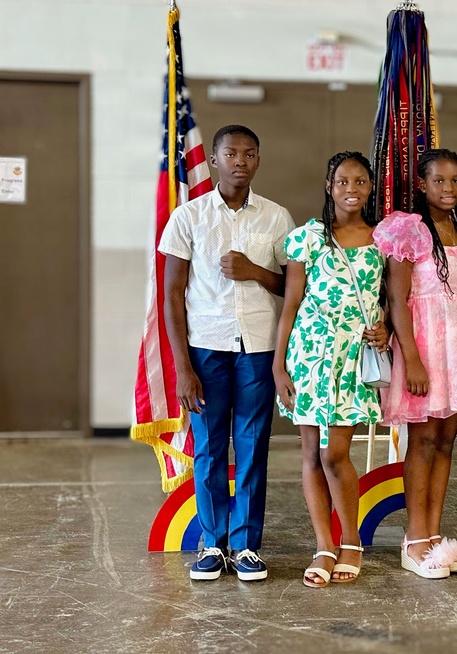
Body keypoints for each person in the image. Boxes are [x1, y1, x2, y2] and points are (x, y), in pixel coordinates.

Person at [160, 124, 295, 582]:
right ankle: (212, 544)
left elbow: (290, 287)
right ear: (213, 160)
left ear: (258, 160)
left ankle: (245, 546)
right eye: (231, 153)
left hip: (257, 347)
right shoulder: (189, 217)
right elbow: (172, 294)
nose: (240, 160)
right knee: (211, 448)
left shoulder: (277, 218)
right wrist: (182, 368)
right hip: (205, 348)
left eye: (250, 153)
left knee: (255, 445)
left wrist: (254, 270)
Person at [374, 148, 457, 579]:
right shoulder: (407, 228)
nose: (448, 189)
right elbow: (397, 298)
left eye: (455, 181)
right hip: (425, 344)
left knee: (448, 442)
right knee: (424, 441)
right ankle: (413, 538)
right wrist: (410, 358)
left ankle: (434, 534)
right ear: (421, 184)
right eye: (438, 181)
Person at [272, 152, 389, 587]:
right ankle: (324, 545)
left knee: (334, 453)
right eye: (342, 181)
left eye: (360, 181)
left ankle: (352, 540)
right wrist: (279, 363)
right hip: (308, 354)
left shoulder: (384, 240)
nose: (351, 189)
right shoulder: (308, 238)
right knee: (309, 454)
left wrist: (386, 329)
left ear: (371, 187)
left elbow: (394, 298)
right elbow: (291, 304)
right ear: (328, 186)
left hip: (353, 357)